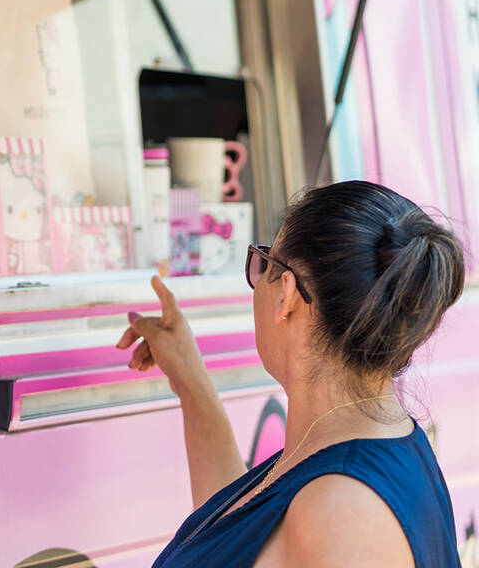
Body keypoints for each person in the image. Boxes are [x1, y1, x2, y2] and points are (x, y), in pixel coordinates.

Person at [118, 181, 464, 567]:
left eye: (262, 261)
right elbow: (238, 542)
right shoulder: (346, 448)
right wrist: (188, 379)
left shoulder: (343, 511)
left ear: (286, 293)